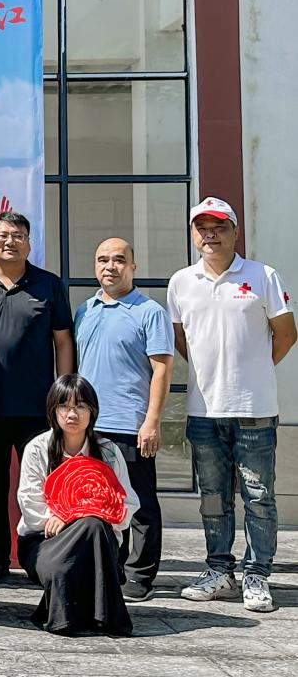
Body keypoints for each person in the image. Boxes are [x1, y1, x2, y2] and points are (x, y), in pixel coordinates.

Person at [169, 197, 296, 612]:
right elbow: (181, 339)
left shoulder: (262, 275)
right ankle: (219, 572)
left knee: (258, 496)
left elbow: (286, 334)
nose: (210, 235)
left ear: (235, 232)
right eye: (202, 228)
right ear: (193, 235)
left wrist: (254, 368)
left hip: (254, 409)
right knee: (213, 496)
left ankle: (257, 574)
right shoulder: (181, 282)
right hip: (204, 410)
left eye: (219, 227)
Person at [0, 210, 74, 583]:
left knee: (43, 485)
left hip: (38, 409)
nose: (10, 241)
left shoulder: (48, 284)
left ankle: (46, 557)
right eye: (2, 235)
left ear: (29, 242)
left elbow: (63, 341)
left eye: (18, 235)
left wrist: (64, 395)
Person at [74, 237, 174, 603]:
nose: (110, 267)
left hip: (130, 424)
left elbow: (162, 369)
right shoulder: (85, 310)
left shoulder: (150, 312)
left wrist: (152, 421)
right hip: (89, 426)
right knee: (100, 501)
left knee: (140, 504)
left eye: (119, 260)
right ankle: (110, 568)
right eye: (103, 260)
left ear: (133, 267)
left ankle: (140, 575)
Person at [16, 374, 138, 636]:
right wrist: (72, 518)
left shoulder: (108, 451)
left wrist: (72, 515)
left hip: (99, 543)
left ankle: (74, 616)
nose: (72, 414)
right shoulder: (38, 449)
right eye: (64, 406)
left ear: (92, 411)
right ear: (53, 410)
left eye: (80, 406)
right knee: (91, 525)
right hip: (45, 542)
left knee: (92, 525)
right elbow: (30, 505)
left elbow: (127, 503)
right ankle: (103, 617)